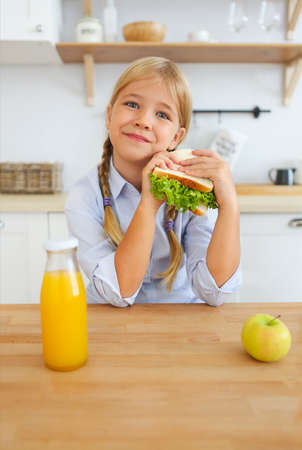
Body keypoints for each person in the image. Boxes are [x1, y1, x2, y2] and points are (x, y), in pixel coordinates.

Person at [65, 56, 242, 307]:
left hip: (180, 324)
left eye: (162, 114)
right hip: (109, 325)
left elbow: (215, 292)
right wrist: (149, 204)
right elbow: (119, 291)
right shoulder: (84, 195)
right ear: (109, 116)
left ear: (176, 137)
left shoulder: (192, 190)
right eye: (132, 104)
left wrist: (230, 206)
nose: (143, 121)